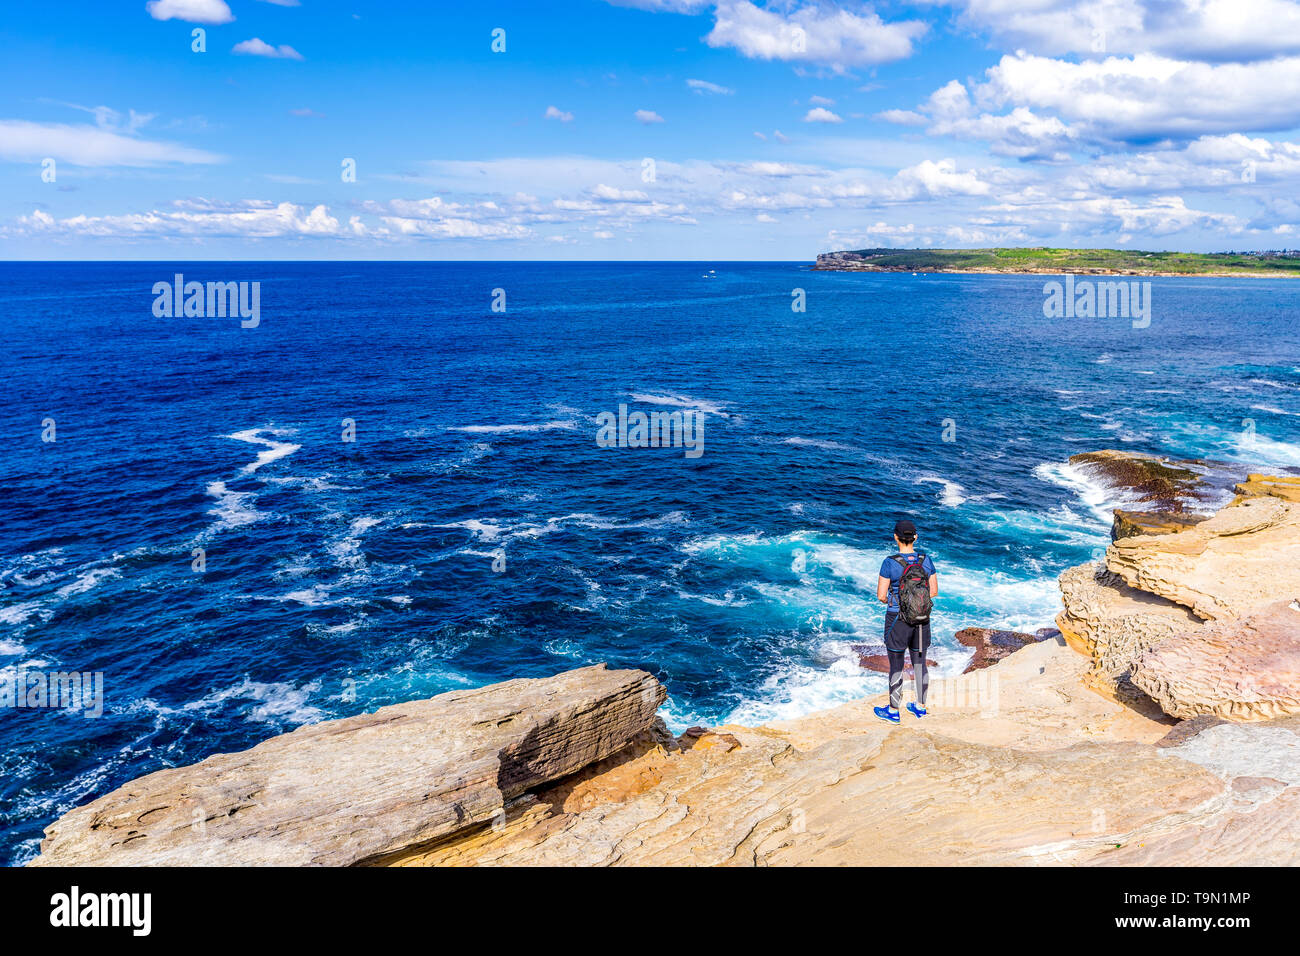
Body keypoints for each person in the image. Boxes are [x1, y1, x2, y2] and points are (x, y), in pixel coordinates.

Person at [873, 519, 938, 724]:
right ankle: (920, 707)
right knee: (920, 664)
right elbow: (934, 592)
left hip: (897, 621)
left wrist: (896, 601)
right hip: (921, 620)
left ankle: (893, 711)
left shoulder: (889, 562)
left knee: (896, 666)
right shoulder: (925, 560)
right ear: (915, 537)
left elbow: (881, 595)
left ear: (895, 537)